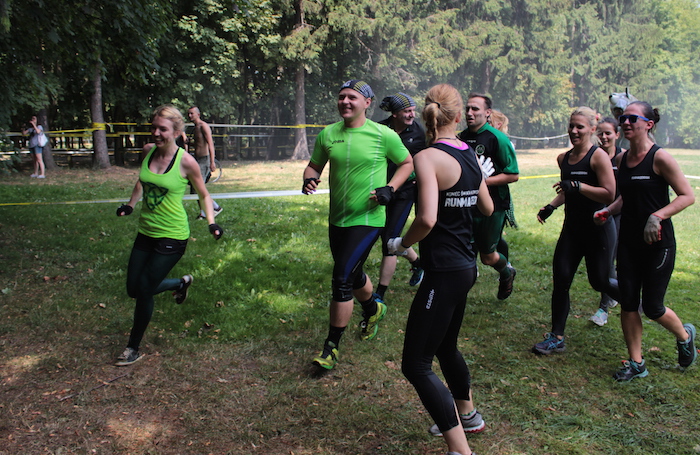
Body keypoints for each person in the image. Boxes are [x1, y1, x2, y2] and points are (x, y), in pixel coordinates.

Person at [392, 84, 492, 455]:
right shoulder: (469, 152)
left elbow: (427, 219)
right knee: (446, 346)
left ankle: (460, 449)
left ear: (427, 116)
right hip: (465, 266)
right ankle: (468, 415)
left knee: (416, 364)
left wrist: (402, 244)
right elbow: (485, 207)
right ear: (458, 116)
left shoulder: (427, 157)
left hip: (445, 272)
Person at [302, 79, 413, 370]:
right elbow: (314, 165)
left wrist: (390, 188)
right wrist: (309, 178)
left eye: (352, 97)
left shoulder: (383, 134)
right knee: (352, 274)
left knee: (341, 279)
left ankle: (331, 348)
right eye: (341, 97)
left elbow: (407, 163)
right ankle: (373, 308)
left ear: (367, 103)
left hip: (368, 218)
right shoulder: (328, 134)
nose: (345, 102)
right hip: (337, 219)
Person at [593, 101, 696, 381]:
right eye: (623, 118)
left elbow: (687, 195)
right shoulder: (621, 160)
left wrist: (658, 216)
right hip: (628, 242)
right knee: (628, 302)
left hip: (658, 244)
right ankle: (637, 363)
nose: (625, 122)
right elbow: (626, 196)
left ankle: (685, 336)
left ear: (649, 125)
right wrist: (608, 210)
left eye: (632, 118)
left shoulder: (660, 158)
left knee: (652, 307)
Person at [114, 105, 223, 366]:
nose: (156, 133)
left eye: (162, 129)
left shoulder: (186, 162)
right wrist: (130, 205)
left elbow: (204, 194)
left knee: (144, 290)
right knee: (133, 289)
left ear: (175, 132)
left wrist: (211, 222)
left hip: (172, 236)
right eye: (154, 127)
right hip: (146, 232)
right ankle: (178, 284)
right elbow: (142, 181)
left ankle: (132, 348)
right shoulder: (148, 151)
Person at [533, 107, 619, 355]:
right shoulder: (563, 159)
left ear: (592, 129)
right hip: (572, 230)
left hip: (598, 230)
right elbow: (567, 190)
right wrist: (551, 206)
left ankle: (634, 301)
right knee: (561, 279)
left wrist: (579, 186)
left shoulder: (598, 157)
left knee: (599, 281)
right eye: (571, 126)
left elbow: (609, 194)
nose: (574, 131)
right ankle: (556, 337)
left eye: (579, 126)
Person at [457, 93, 518, 300]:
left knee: (488, 257)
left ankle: (507, 273)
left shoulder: (497, 138)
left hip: (494, 205)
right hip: (466, 203)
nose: (469, 113)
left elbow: (513, 174)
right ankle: (458, 293)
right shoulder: (460, 138)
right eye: (467, 108)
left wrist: (482, 182)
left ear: (488, 112)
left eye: (475, 109)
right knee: (464, 250)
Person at [374, 92, 427, 303]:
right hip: (381, 190)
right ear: (394, 113)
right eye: (407, 111)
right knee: (383, 235)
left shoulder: (419, 133)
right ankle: (417, 263)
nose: (412, 115)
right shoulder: (379, 129)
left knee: (389, 240)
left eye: (413, 110)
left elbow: (424, 161)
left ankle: (380, 294)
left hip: (405, 192)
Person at [589, 117, 625, 325]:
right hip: (599, 214)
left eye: (608, 133)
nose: (603, 137)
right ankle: (612, 298)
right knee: (604, 258)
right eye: (600, 133)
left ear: (617, 135)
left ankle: (605, 307)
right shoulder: (593, 156)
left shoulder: (623, 157)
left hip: (619, 213)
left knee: (612, 257)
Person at [187, 106, 223, 219]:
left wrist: (212, 162)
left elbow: (210, 144)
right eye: (188, 114)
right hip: (196, 160)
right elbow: (199, 143)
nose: (189, 116)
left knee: (199, 187)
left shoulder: (203, 126)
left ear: (198, 114)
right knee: (194, 188)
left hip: (204, 160)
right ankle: (203, 212)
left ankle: (215, 207)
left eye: (192, 113)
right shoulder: (195, 128)